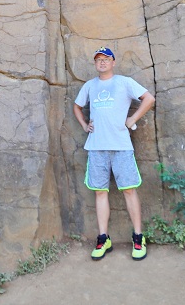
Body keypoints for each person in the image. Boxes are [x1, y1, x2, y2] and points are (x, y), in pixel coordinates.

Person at [73, 46, 155, 261]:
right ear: (95, 63)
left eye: (106, 59)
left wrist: (132, 119)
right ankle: (103, 238)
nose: (102, 62)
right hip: (96, 147)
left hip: (121, 146)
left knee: (128, 190)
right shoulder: (90, 86)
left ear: (113, 62)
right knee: (100, 192)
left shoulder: (124, 82)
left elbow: (149, 99)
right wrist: (84, 125)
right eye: (98, 59)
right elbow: (77, 106)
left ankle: (138, 237)